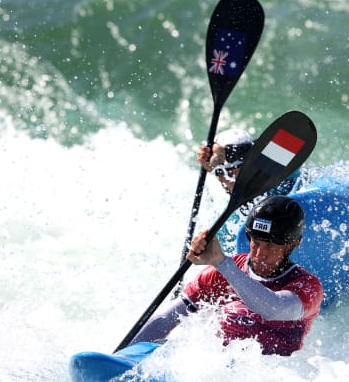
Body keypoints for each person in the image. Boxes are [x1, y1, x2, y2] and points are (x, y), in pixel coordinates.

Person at [130, 195, 323, 356]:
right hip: (213, 366)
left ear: (293, 244)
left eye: (271, 245)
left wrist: (222, 263)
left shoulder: (307, 286)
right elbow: (166, 319)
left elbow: (274, 308)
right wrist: (127, 355)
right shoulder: (220, 272)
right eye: (256, 241)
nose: (259, 253)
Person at [199, 128, 303, 253]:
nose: (223, 180)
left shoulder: (280, 178)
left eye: (242, 170)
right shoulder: (228, 224)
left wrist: (256, 150)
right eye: (219, 173)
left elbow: (295, 135)